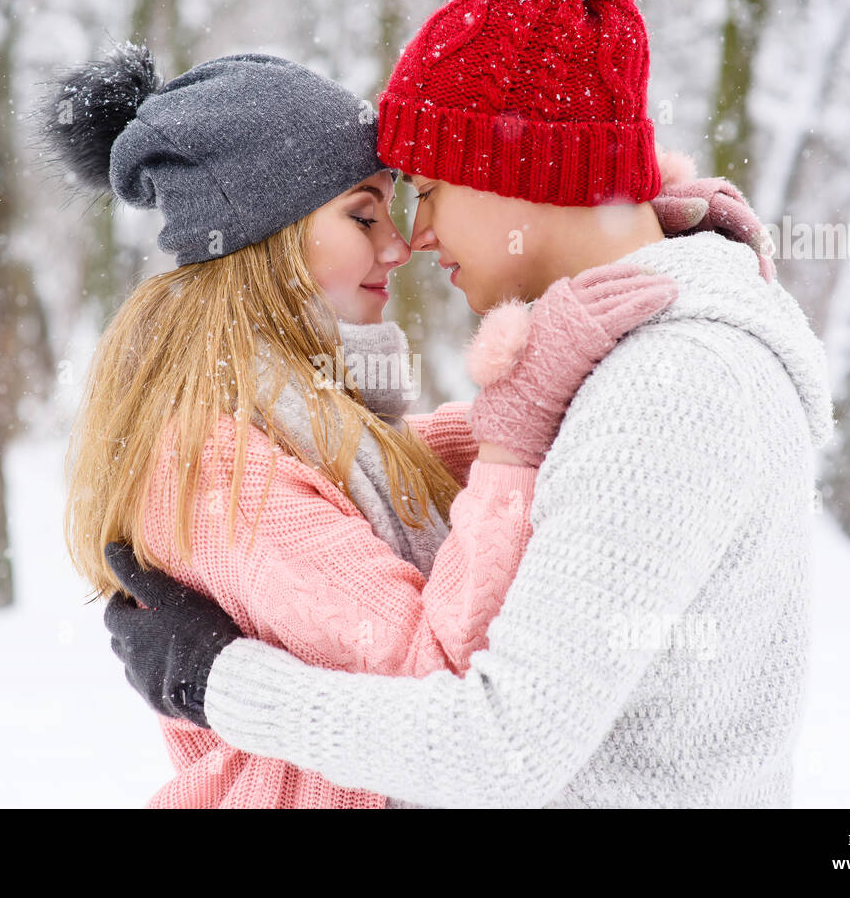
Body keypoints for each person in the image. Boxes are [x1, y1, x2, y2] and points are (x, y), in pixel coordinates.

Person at [102, 0, 835, 808]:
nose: (415, 235)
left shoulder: (668, 390)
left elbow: (493, 750)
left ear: (510, 168)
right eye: (375, 207)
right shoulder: (644, 358)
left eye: (425, 186)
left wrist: (218, 682)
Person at [46, 44, 681, 807]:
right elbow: (440, 685)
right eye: (363, 212)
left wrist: (650, 234)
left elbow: (401, 461)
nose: (400, 244)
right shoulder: (218, 462)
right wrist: (515, 434)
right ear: (269, 241)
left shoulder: (285, 414)